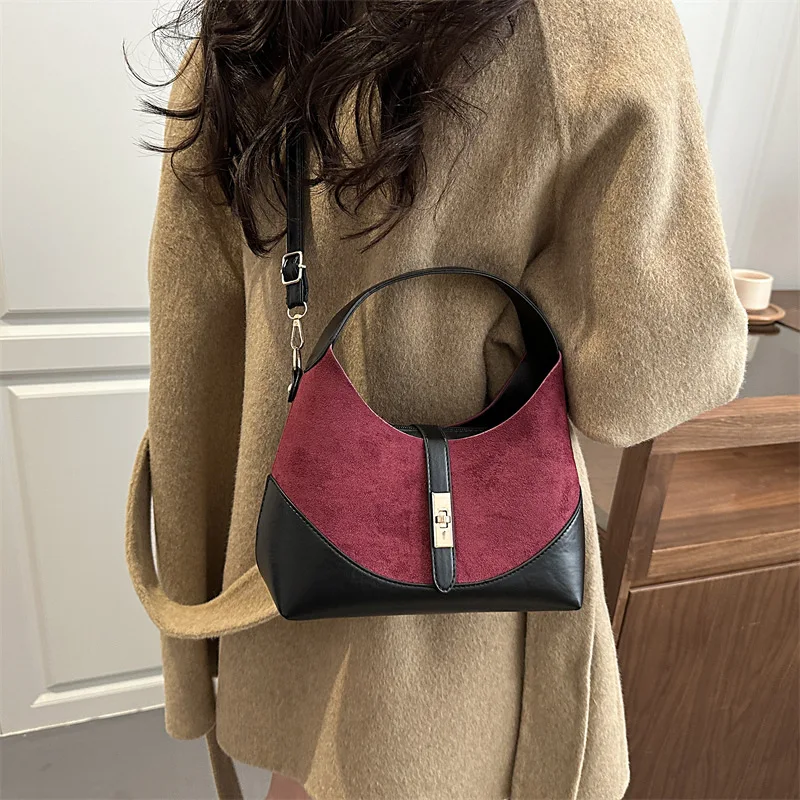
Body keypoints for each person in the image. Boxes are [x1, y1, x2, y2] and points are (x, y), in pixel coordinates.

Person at [125, 1, 748, 798]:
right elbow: (646, 383)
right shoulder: (592, 24)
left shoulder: (246, 24)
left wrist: (191, 649)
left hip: (279, 582)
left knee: (304, 772)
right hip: (460, 636)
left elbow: (192, 364)